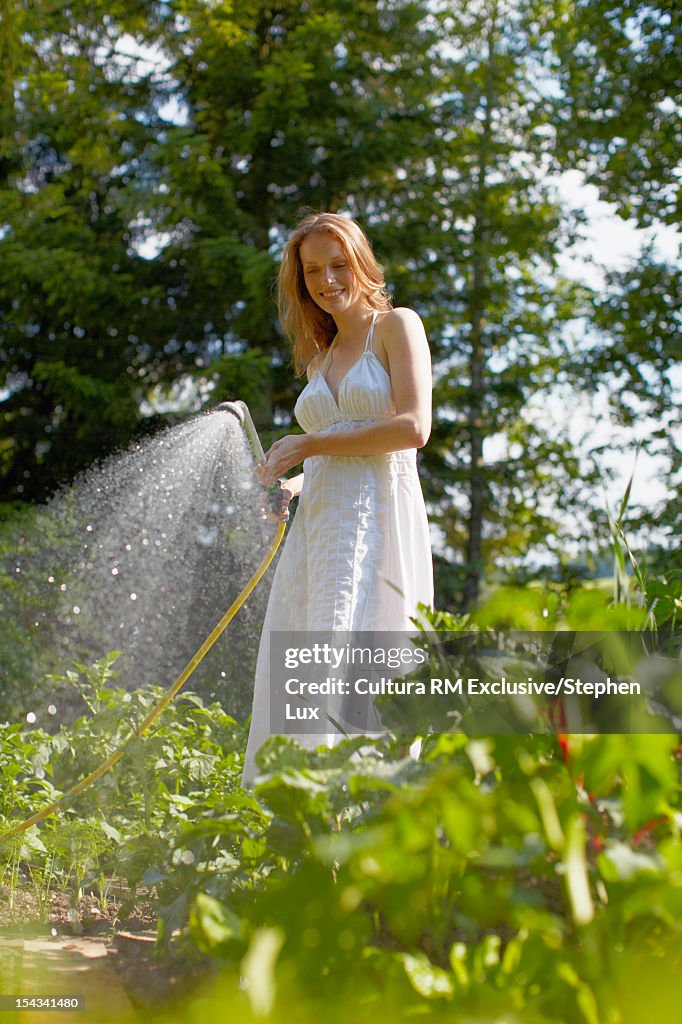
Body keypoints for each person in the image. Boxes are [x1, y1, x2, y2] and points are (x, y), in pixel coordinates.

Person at [241, 211, 433, 787]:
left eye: (337, 264)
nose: (327, 280)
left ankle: (361, 825)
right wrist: (291, 484)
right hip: (320, 529)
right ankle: (300, 816)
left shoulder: (396, 326)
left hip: (378, 523)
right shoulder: (320, 357)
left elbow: (413, 428)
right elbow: (326, 459)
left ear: (360, 263)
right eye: (312, 271)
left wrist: (310, 442)